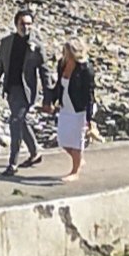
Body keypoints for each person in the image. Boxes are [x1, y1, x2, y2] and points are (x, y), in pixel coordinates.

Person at [0, 8, 52, 176]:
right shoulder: (6, 42)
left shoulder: (36, 46)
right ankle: (35, 152)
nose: (26, 27)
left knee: (15, 121)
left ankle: (13, 163)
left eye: (29, 24)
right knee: (21, 120)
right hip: (11, 89)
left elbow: (45, 72)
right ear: (16, 24)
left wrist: (48, 97)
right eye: (23, 24)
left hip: (26, 91)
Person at [51, 38, 95, 182]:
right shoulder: (62, 64)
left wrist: (89, 118)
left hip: (79, 109)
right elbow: (59, 85)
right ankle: (79, 160)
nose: (64, 54)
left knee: (76, 141)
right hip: (65, 107)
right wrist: (51, 101)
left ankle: (75, 172)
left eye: (67, 52)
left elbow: (89, 95)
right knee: (62, 140)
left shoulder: (86, 69)